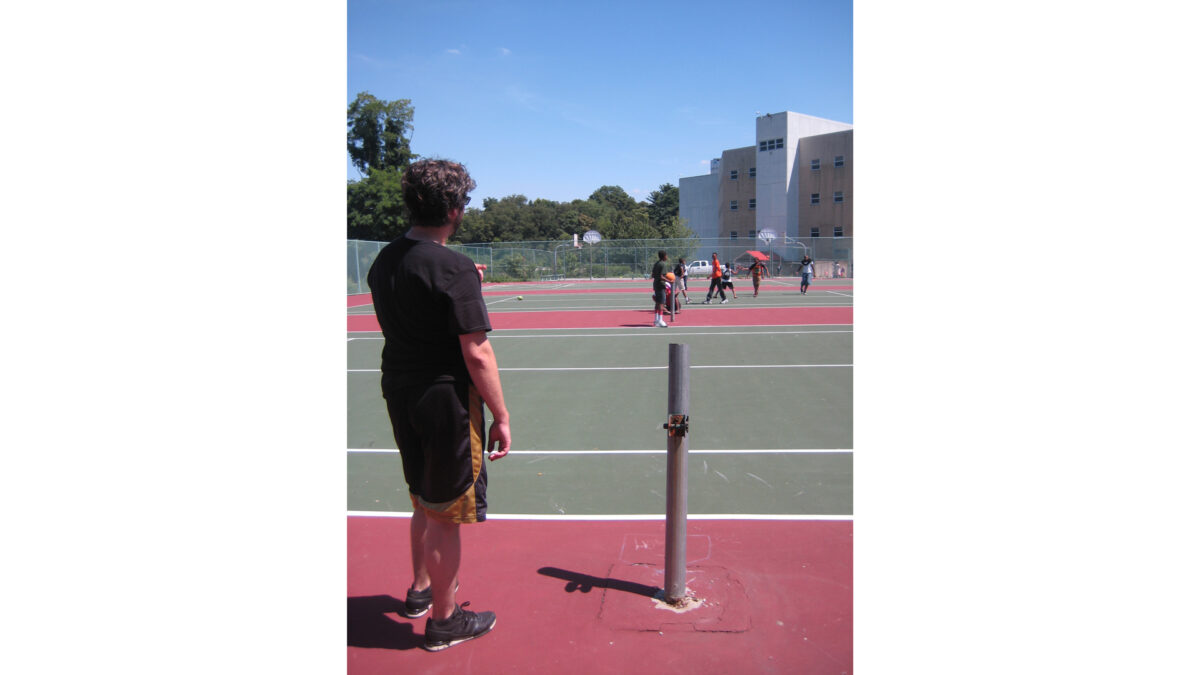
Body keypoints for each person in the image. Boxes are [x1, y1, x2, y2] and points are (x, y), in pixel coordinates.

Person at [366, 159, 510, 652]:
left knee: (422, 500)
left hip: (400, 391)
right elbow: (477, 351)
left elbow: (417, 290)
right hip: (445, 400)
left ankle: (420, 591)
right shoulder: (454, 268)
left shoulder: (384, 260)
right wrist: (502, 416)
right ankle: (445, 622)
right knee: (447, 511)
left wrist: (462, 277)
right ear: (454, 209)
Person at [650, 250, 670, 327]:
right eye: (666, 255)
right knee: (661, 303)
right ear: (664, 256)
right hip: (661, 285)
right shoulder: (663, 264)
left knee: (657, 303)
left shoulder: (656, 264)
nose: (667, 257)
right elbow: (662, 276)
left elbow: (653, 275)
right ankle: (660, 320)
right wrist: (670, 281)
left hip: (655, 284)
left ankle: (656, 320)